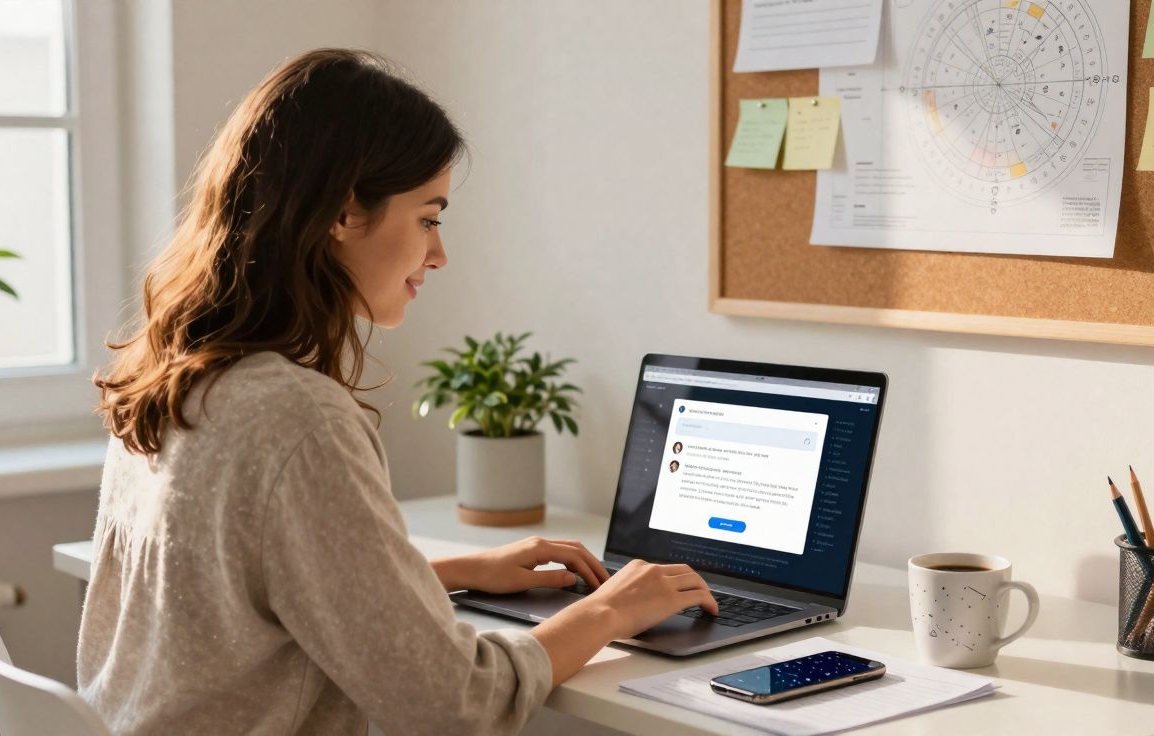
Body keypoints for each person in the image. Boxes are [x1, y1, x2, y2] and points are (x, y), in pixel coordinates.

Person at [81, 49, 717, 735]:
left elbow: (243, 591)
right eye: (428, 218)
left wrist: (455, 570)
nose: (438, 255)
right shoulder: (297, 418)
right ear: (343, 213)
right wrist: (611, 610)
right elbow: (453, 703)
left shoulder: (179, 374)